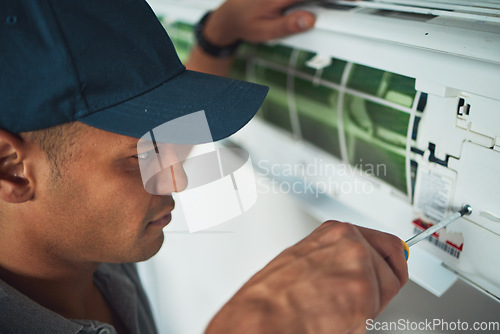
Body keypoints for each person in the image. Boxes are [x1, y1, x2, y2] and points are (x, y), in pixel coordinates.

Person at [0, 0, 408, 333]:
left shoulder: (81, 241)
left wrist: (218, 38)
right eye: (140, 156)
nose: (176, 176)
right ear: (11, 169)